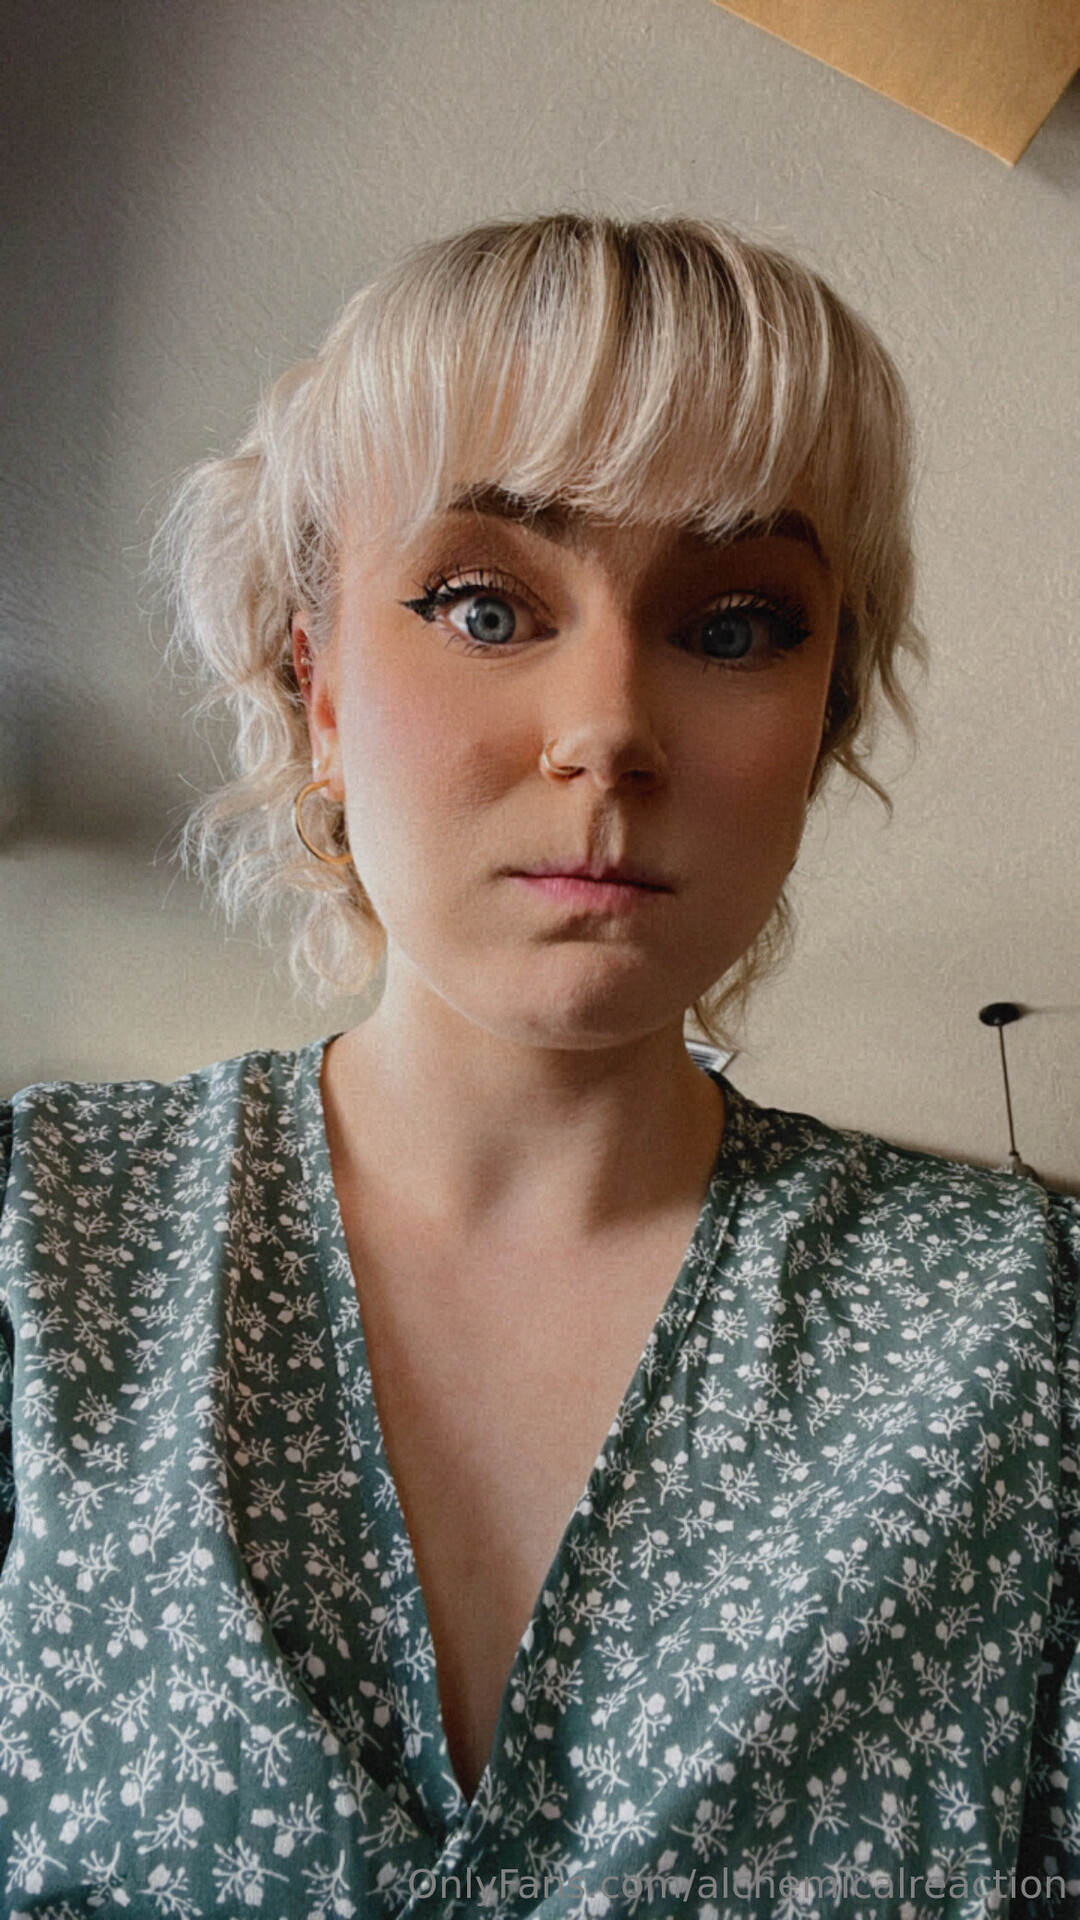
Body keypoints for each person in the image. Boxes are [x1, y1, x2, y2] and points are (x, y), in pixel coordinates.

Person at [0, 214, 1076, 1920]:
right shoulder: (38, 1252)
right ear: (319, 684)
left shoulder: (1026, 1338)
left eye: (738, 627)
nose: (610, 728)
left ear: (827, 713)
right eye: (486, 605)